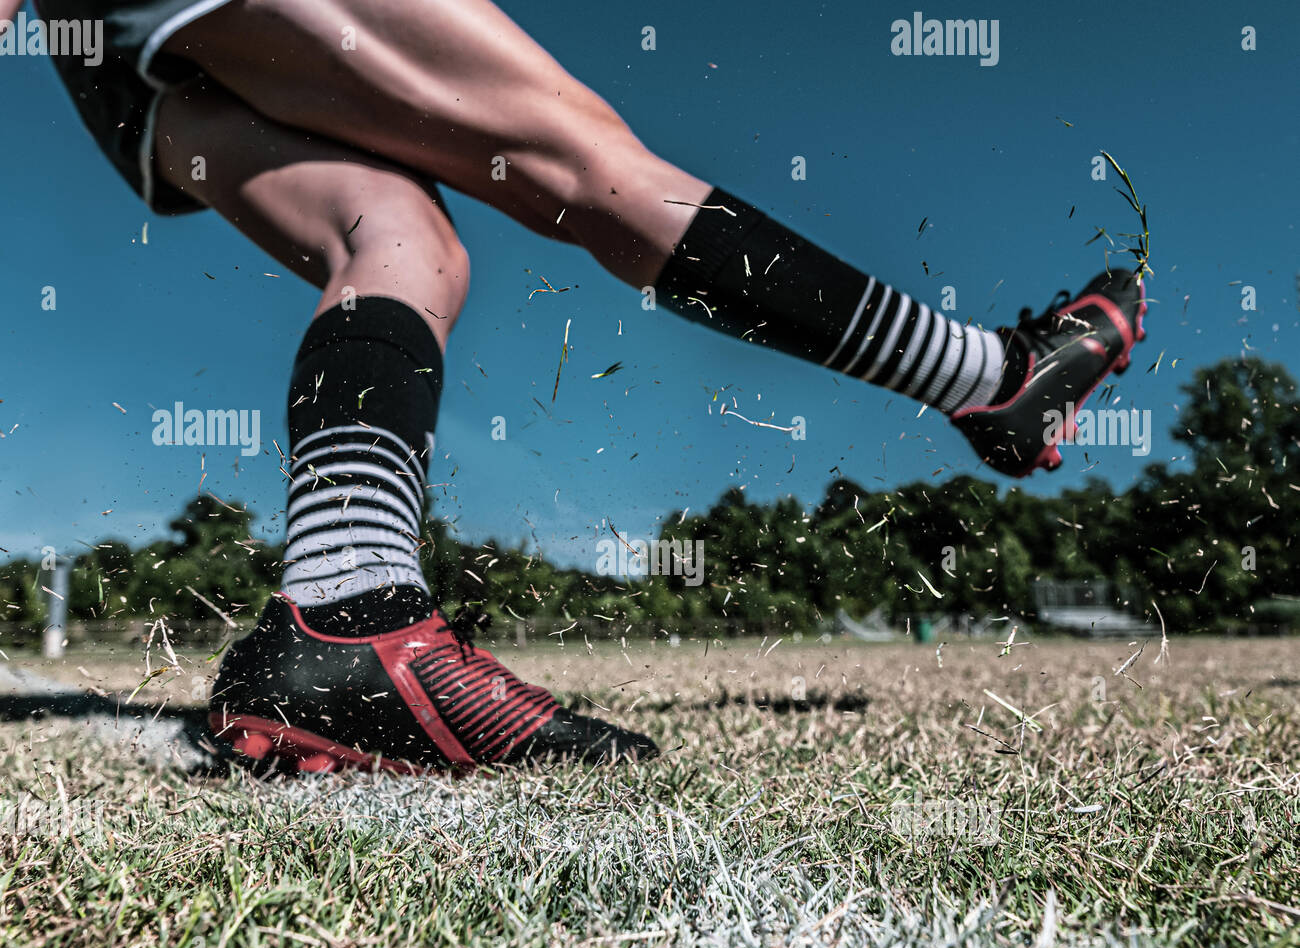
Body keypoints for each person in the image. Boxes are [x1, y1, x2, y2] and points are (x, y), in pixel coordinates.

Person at [12, 0, 1146, 771]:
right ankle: (989, 379)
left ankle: (339, 621)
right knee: (579, 159)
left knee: (400, 244)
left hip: (107, 64)